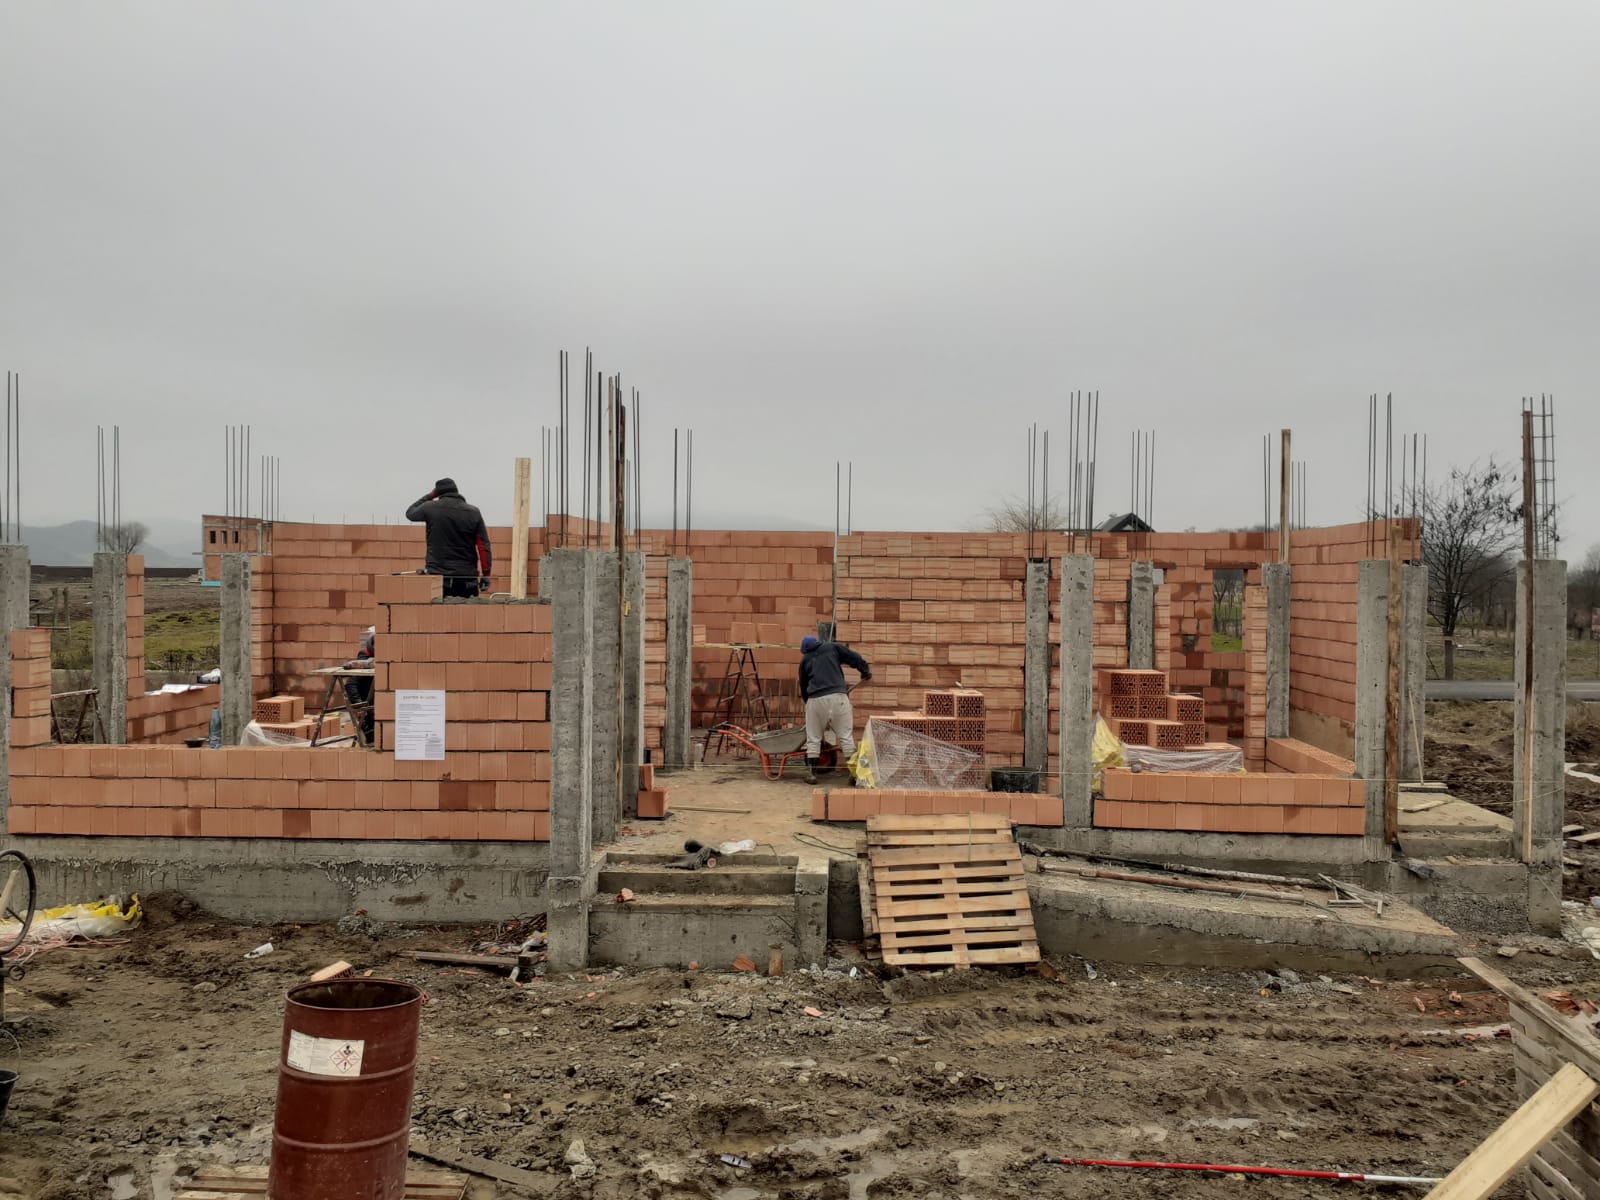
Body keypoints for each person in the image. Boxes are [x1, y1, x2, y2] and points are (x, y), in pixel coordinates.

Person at [797, 635, 871, 784]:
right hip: (838, 697)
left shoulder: (805, 660)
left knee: (813, 737)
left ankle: (812, 775)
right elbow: (853, 657)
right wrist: (864, 670)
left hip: (815, 699)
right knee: (845, 736)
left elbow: (804, 686)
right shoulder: (832, 647)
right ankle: (854, 775)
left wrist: (809, 704)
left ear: (805, 649)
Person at [406, 477, 491, 597]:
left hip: (438, 579)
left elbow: (410, 513)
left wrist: (430, 496)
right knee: (467, 609)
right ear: (456, 491)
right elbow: (483, 546)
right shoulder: (473, 512)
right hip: (467, 580)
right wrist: (486, 574)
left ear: (438, 493)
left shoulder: (430, 508)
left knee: (438, 610)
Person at [342, 626, 376, 744]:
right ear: (372, 645)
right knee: (372, 742)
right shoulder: (364, 657)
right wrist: (359, 706)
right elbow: (350, 685)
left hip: (376, 708)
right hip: (367, 710)